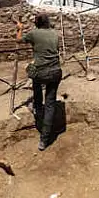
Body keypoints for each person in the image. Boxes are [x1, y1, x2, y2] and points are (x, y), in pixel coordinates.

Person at [16, 13, 63, 151]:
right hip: (56, 71)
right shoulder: (54, 33)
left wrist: (19, 28)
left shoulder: (34, 33)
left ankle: (37, 107)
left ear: (36, 23)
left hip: (41, 73)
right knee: (50, 103)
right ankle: (44, 140)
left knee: (33, 73)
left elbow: (18, 40)